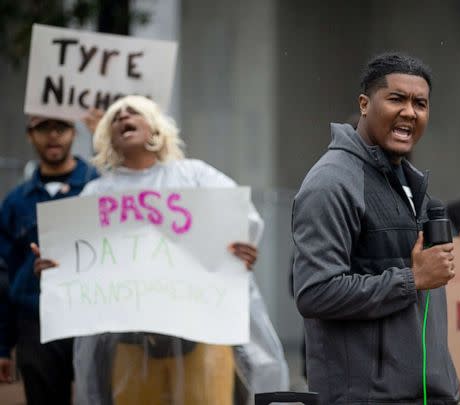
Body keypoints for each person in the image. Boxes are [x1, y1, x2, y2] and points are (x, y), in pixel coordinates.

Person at [35, 95, 288, 404]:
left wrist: (242, 248)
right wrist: (55, 268)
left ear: (155, 128)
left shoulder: (195, 176)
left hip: (201, 342)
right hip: (130, 348)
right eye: (115, 116)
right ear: (107, 137)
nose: (124, 117)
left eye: (134, 112)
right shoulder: (97, 194)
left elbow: (241, 221)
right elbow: (76, 258)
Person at [292, 53, 459, 404]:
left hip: (428, 396)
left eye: (420, 103)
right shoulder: (332, 183)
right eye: (396, 99)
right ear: (365, 104)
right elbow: (315, 292)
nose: (410, 112)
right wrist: (412, 279)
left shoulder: (409, 183)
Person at [0, 115, 98, 404]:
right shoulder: (15, 202)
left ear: (73, 133)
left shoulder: (100, 189)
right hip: (36, 321)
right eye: (43, 128)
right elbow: (3, 275)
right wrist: (3, 346)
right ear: (30, 134)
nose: (53, 136)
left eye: (61, 128)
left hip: (93, 318)